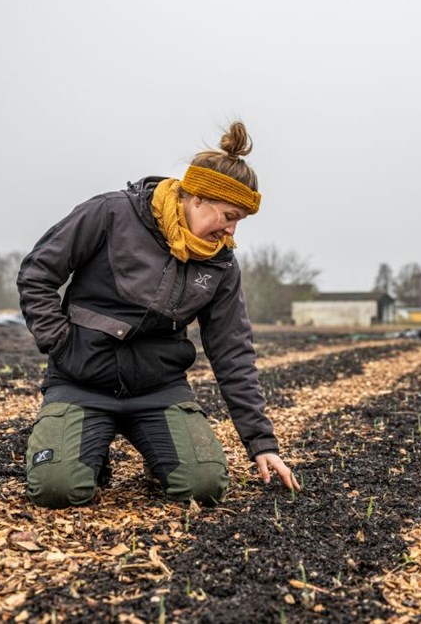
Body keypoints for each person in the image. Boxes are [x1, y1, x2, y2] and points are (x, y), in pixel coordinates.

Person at [16, 121, 299, 508]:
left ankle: (161, 456)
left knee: (204, 486)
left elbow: (232, 348)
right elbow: (37, 274)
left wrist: (261, 442)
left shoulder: (220, 264)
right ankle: (88, 454)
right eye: (228, 216)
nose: (231, 231)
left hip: (158, 390)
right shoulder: (111, 214)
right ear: (197, 199)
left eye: (239, 222)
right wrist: (60, 343)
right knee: (57, 488)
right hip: (81, 382)